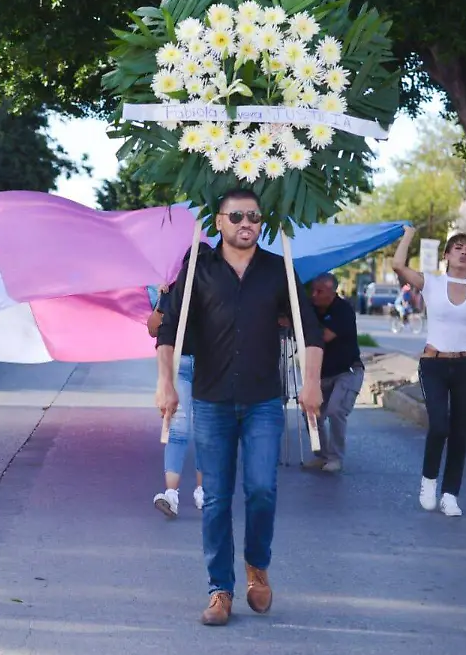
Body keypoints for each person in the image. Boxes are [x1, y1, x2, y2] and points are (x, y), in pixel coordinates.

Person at [155, 189, 324, 626]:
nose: (245, 223)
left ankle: (256, 567)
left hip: (264, 400)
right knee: (215, 499)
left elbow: (310, 330)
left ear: (261, 221)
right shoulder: (200, 268)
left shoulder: (278, 270)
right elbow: (168, 328)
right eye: (236, 217)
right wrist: (165, 383)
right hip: (210, 401)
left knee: (262, 489)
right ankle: (220, 590)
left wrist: (311, 383)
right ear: (219, 220)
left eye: (252, 216)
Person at [392, 226, 466, 517]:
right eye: (458, 248)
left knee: (460, 431)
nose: (464, 252)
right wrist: (409, 234)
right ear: (447, 255)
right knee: (440, 425)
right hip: (434, 364)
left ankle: (450, 494)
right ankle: (429, 481)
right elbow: (398, 265)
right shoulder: (431, 283)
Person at [147, 250, 210, 518]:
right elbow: (154, 328)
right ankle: (179, 493)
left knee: (192, 428)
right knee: (182, 427)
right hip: (184, 363)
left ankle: (197, 491)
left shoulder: (214, 290)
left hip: (204, 365)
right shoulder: (175, 290)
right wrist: (161, 300)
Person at [304, 273, 364, 473]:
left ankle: (336, 457)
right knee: (311, 412)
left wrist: (302, 326)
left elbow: (324, 337)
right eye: (313, 290)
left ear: (332, 292)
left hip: (346, 372)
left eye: (319, 291)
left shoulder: (343, 310)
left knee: (335, 410)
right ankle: (322, 456)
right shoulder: (312, 309)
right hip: (322, 373)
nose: (314, 295)